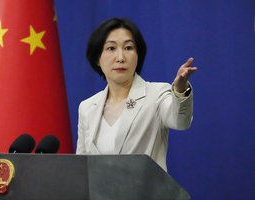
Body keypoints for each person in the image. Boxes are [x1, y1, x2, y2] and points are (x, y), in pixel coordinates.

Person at [76, 18, 197, 172]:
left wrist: (180, 90)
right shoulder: (87, 108)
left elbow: (180, 122)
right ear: (97, 58)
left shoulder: (156, 94)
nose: (120, 57)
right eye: (111, 48)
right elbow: (81, 167)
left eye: (128, 48)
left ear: (138, 55)